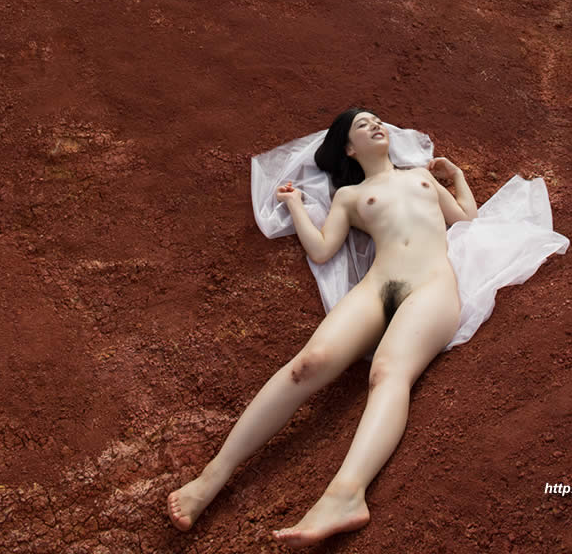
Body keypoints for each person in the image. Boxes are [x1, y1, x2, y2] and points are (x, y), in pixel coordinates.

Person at [166, 106, 478, 547]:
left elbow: (466, 220)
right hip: (377, 286)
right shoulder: (350, 196)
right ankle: (211, 477)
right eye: (362, 124)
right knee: (307, 364)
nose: (375, 124)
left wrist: (457, 177)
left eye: (377, 120)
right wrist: (295, 205)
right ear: (349, 148)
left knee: (388, 372)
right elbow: (322, 249)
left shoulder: (420, 177)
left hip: (431, 284)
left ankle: (346, 495)